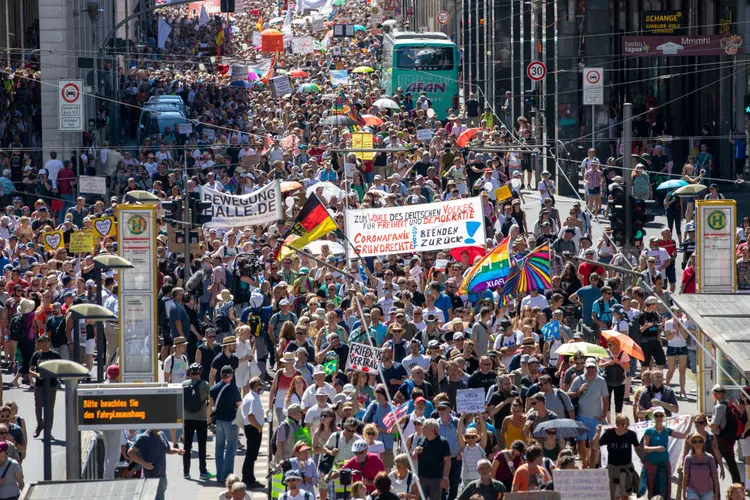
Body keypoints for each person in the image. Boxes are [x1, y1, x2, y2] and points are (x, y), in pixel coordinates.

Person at [642, 406, 691, 499]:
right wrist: (656, 448)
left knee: (665, 489)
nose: (659, 418)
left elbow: (684, 435)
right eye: (656, 415)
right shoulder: (649, 431)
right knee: (652, 489)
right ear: (653, 417)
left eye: (661, 415)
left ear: (663, 417)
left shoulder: (667, 430)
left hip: (664, 464)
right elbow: (645, 448)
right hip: (652, 464)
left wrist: (690, 422)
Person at [569, 357, 609, 467]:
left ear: (596, 368)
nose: (591, 369)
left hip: (595, 418)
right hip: (581, 417)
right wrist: (580, 390)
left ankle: (591, 466)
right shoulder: (579, 379)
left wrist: (603, 416)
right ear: (585, 368)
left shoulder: (601, 381)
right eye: (588, 367)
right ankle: (585, 463)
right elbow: (569, 395)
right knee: (581, 443)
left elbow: (606, 400)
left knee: (594, 445)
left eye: (592, 367)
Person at [591, 415, 640, 500]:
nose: (626, 426)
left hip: (626, 468)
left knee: (625, 495)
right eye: (624, 424)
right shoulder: (609, 434)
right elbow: (595, 446)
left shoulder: (631, 434)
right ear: (617, 424)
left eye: (628, 424)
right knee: (614, 495)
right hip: (613, 469)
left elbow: (638, 448)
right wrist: (598, 433)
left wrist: (645, 460)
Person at [127, 429, 185, 500]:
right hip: (150, 479)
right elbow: (130, 452)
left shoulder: (161, 434)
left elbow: (167, 449)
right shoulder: (143, 438)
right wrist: (144, 464)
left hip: (162, 477)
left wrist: (178, 451)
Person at [210, 365, 242, 484]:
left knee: (219, 448)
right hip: (231, 421)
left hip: (219, 421)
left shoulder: (214, 389)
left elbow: (211, 406)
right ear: (231, 375)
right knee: (230, 448)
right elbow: (239, 404)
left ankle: (219, 476)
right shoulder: (233, 389)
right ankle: (227, 476)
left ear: (221, 375)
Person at [182, 362, 213, 480]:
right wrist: (209, 417)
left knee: (187, 446)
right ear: (200, 372)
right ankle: (203, 471)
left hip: (187, 419)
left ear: (189, 373)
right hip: (201, 419)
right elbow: (210, 400)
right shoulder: (205, 385)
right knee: (202, 446)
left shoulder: (184, 384)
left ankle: (186, 472)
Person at [28, 333, 60, 438]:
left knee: (49, 409)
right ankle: (40, 425)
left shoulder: (55, 355)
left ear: (49, 342)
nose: (44, 344)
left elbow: (60, 369)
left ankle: (48, 431)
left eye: (46, 341)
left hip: (51, 385)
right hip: (39, 385)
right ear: (39, 344)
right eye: (42, 342)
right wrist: (36, 374)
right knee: (38, 408)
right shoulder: (36, 355)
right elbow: (30, 369)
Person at [710, 384, 742, 484]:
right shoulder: (730, 404)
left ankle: (711, 485)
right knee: (731, 463)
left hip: (720, 439)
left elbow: (714, 426)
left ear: (716, 394)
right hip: (729, 439)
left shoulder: (719, 407)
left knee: (713, 462)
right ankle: (737, 484)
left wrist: (707, 421)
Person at [413, 418, 451, 500]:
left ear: (432, 430)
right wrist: (415, 452)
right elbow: (414, 457)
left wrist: (445, 478)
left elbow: (447, 462)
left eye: (425, 427)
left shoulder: (443, 442)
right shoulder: (421, 440)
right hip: (422, 477)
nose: (422, 428)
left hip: (436, 479)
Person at [240, 377, 265, 489]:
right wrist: (259, 427)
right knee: (251, 455)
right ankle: (248, 479)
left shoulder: (250, 396)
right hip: (253, 428)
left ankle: (249, 478)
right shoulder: (253, 399)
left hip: (251, 428)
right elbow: (250, 416)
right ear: (255, 386)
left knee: (251, 455)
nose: (261, 387)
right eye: (260, 385)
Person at [681, 432, 720, 500]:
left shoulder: (709, 458)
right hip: (692, 490)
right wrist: (683, 492)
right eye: (695, 442)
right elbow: (685, 476)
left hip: (708, 490)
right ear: (692, 444)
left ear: (703, 444)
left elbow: (715, 477)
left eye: (700, 441)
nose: (697, 443)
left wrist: (716, 493)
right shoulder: (688, 459)